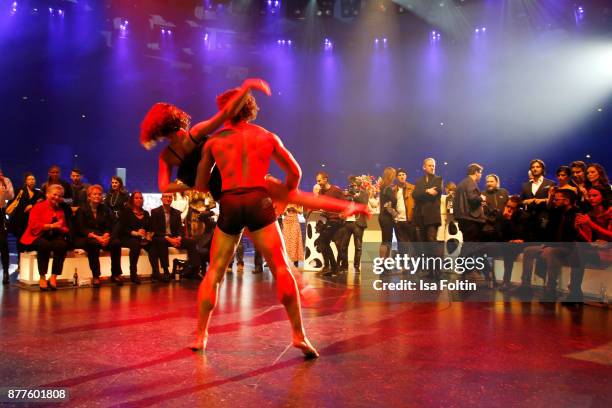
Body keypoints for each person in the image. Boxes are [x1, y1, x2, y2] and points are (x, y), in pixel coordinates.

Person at [187, 86, 324, 357]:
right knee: (282, 268)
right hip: (258, 202)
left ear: (225, 110)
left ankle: (201, 335)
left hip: (230, 203)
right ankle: (299, 335)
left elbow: (201, 186)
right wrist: (284, 194)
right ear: (249, 108)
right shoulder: (266, 136)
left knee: (214, 273)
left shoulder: (214, 142)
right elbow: (295, 172)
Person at [140, 78, 272, 195]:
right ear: (178, 121)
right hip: (235, 181)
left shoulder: (166, 156)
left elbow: (164, 187)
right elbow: (226, 113)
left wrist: (195, 186)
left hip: (219, 191)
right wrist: (246, 87)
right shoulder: (196, 132)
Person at [19, 184, 70, 291]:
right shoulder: (38, 207)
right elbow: (33, 226)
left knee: (62, 245)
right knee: (44, 245)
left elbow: (64, 227)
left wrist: (60, 227)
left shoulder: (60, 210)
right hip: (36, 235)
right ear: (47, 194)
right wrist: (51, 226)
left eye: (59, 196)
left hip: (54, 235)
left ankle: (54, 276)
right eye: (54, 194)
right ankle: (42, 277)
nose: (57, 197)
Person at [75, 185, 123, 287]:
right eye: (94, 194)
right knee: (93, 244)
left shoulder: (105, 209)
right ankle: (96, 276)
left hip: (103, 237)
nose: (97, 196)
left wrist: (107, 235)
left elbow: (113, 223)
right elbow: (80, 228)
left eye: (99, 194)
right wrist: (97, 237)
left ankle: (115, 274)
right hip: (88, 238)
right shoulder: (82, 209)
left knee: (116, 243)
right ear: (89, 196)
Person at [150, 192, 200, 282]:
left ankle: (194, 269)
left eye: (170, 197)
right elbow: (155, 230)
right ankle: (166, 271)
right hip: (161, 237)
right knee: (161, 241)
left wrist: (179, 237)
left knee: (192, 242)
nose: (168, 199)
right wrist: (169, 239)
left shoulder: (176, 213)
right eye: (165, 197)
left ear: (172, 199)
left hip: (174, 237)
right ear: (161, 199)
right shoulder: (155, 212)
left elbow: (179, 229)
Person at [116, 191, 158, 284]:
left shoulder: (146, 213)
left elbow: (151, 228)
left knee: (153, 244)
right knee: (135, 245)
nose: (139, 199)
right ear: (132, 200)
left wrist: (148, 235)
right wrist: (136, 233)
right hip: (127, 237)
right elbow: (122, 229)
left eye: (141, 198)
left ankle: (155, 273)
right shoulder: (126, 212)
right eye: (136, 198)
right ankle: (133, 273)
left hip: (142, 238)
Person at [6, 173, 44, 275]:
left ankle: (31, 264)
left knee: (31, 242)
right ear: (26, 181)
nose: (32, 181)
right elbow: (16, 204)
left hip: (33, 221)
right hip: (20, 221)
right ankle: (20, 263)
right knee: (21, 242)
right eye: (29, 179)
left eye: (33, 179)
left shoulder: (39, 193)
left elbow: (41, 205)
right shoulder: (20, 191)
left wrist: (32, 205)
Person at [378, 167, 397, 259]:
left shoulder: (383, 187)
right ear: (390, 176)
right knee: (387, 241)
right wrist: (394, 214)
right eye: (394, 175)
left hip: (382, 216)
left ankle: (383, 262)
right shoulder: (388, 188)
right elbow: (390, 203)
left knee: (385, 240)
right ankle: (384, 263)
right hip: (386, 217)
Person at [0, 169, 15, 284]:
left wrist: (4, 186)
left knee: (3, 243)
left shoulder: (6, 181)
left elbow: (11, 196)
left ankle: (5, 272)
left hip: (1, 212)